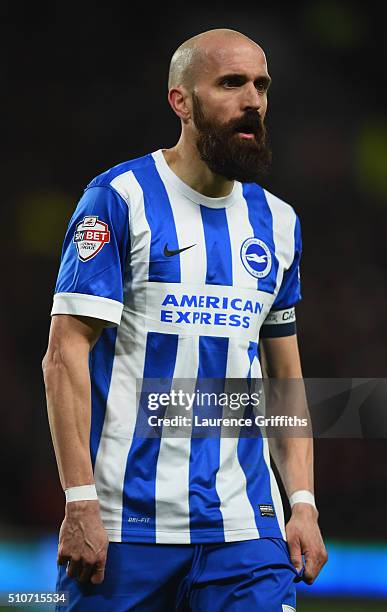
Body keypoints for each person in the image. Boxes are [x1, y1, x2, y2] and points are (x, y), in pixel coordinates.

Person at [43, 28, 327, 611]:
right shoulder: (118, 199)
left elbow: (284, 379)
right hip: (126, 530)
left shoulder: (277, 224)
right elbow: (64, 353)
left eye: (261, 85)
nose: (253, 100)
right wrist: (79, 501)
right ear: (181, 101)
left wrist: (301, 500)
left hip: (246, 535)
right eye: (231, 83)